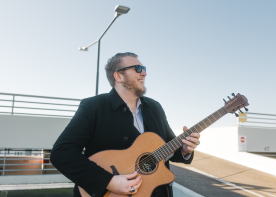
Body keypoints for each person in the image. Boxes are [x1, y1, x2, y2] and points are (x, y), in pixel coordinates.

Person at [50, 52, 200, 197]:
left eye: (144, 69)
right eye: (138, 69)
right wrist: (108, 181)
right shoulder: (93, 106)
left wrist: (184, 150)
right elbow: (62, 152)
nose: (144, 73)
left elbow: (168, 146)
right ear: (118, 76)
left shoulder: (155, 107)